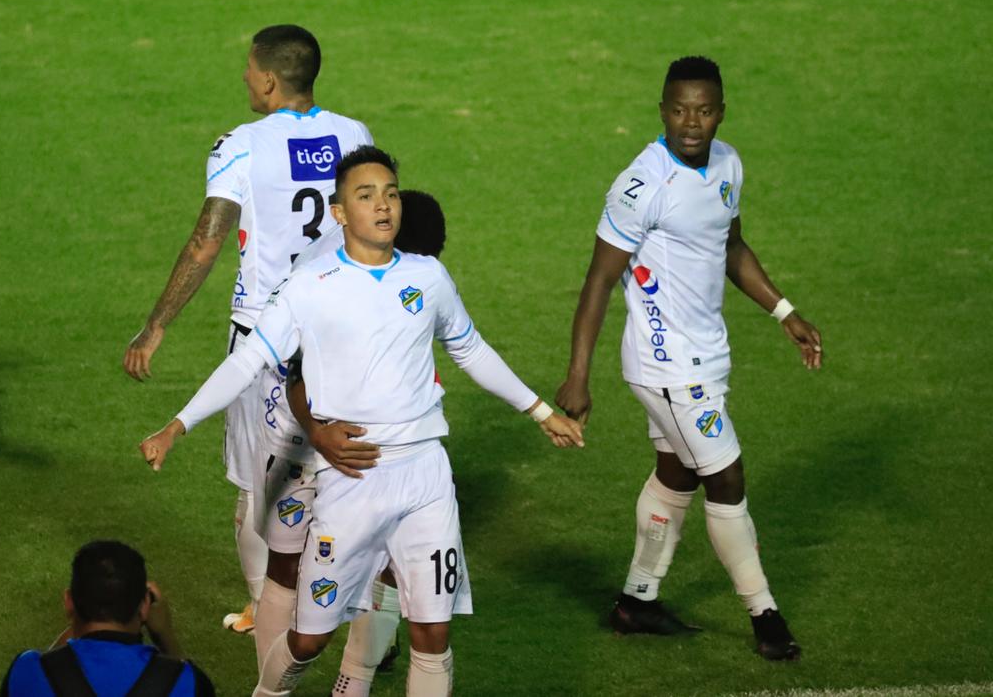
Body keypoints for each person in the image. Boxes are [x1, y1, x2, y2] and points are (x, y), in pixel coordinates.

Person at [141, 146, 585, 696]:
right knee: (308, 641)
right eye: (366, 195)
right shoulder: (311, 286)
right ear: (339, 213)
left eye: (391, 194)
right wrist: (177, 424)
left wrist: (540, 411)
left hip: (425, 475)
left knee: (433, 632)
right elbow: (249, 362)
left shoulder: (428, 277)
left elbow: (471, 349)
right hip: (352, 481)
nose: (383, 206)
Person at [554, 56, 822, 661]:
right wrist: (578, 374)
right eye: (678, 110)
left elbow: (729, 243)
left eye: (703, 110)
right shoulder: (642, 184)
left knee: (676, 473)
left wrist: (785, 312)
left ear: (720, 113)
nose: (690, 122)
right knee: (725, 476)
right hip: (666, 365)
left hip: (707, 357)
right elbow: (598, 281)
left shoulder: (727, 163)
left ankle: (637, 602)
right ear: (662, 111)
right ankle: (765, 616)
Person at [123, 25, 372, 634]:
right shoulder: (354, 135)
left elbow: (209, 241)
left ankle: (267, 613)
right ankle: (364, 615)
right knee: (349, 477)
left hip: (267, 338)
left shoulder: (241, 144)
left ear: (266, 78)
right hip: (345, 330)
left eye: (248, 69)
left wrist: (156, 325)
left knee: (259, 490)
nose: (243, 78)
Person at [246, 189, 446, 690]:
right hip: (297, 436)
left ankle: (348, 687)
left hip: (353, 447)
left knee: (382, 570)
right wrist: (319, 433)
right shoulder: (327, 284)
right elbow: (295, 374)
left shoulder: (395, 275)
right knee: (291, 572)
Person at [0, 540, 214, 696]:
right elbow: (186, 681)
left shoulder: (25, 672)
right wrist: (166, 637)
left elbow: (49, 664)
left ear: (69, 601)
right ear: (145, 606)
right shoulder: (188, 682)